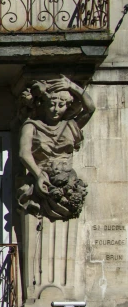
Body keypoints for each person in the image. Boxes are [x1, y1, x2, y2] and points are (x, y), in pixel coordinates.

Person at [18, 76, 95, 220]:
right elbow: (24, 153)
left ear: (67, 106)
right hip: (43, 179)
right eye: (52, 104)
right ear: (44, 103)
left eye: (61, 105)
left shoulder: (71, 125)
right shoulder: (32, 125)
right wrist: (39, 174)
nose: (56, 109)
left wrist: (72, 86)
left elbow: (90, 109)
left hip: (67, 185)